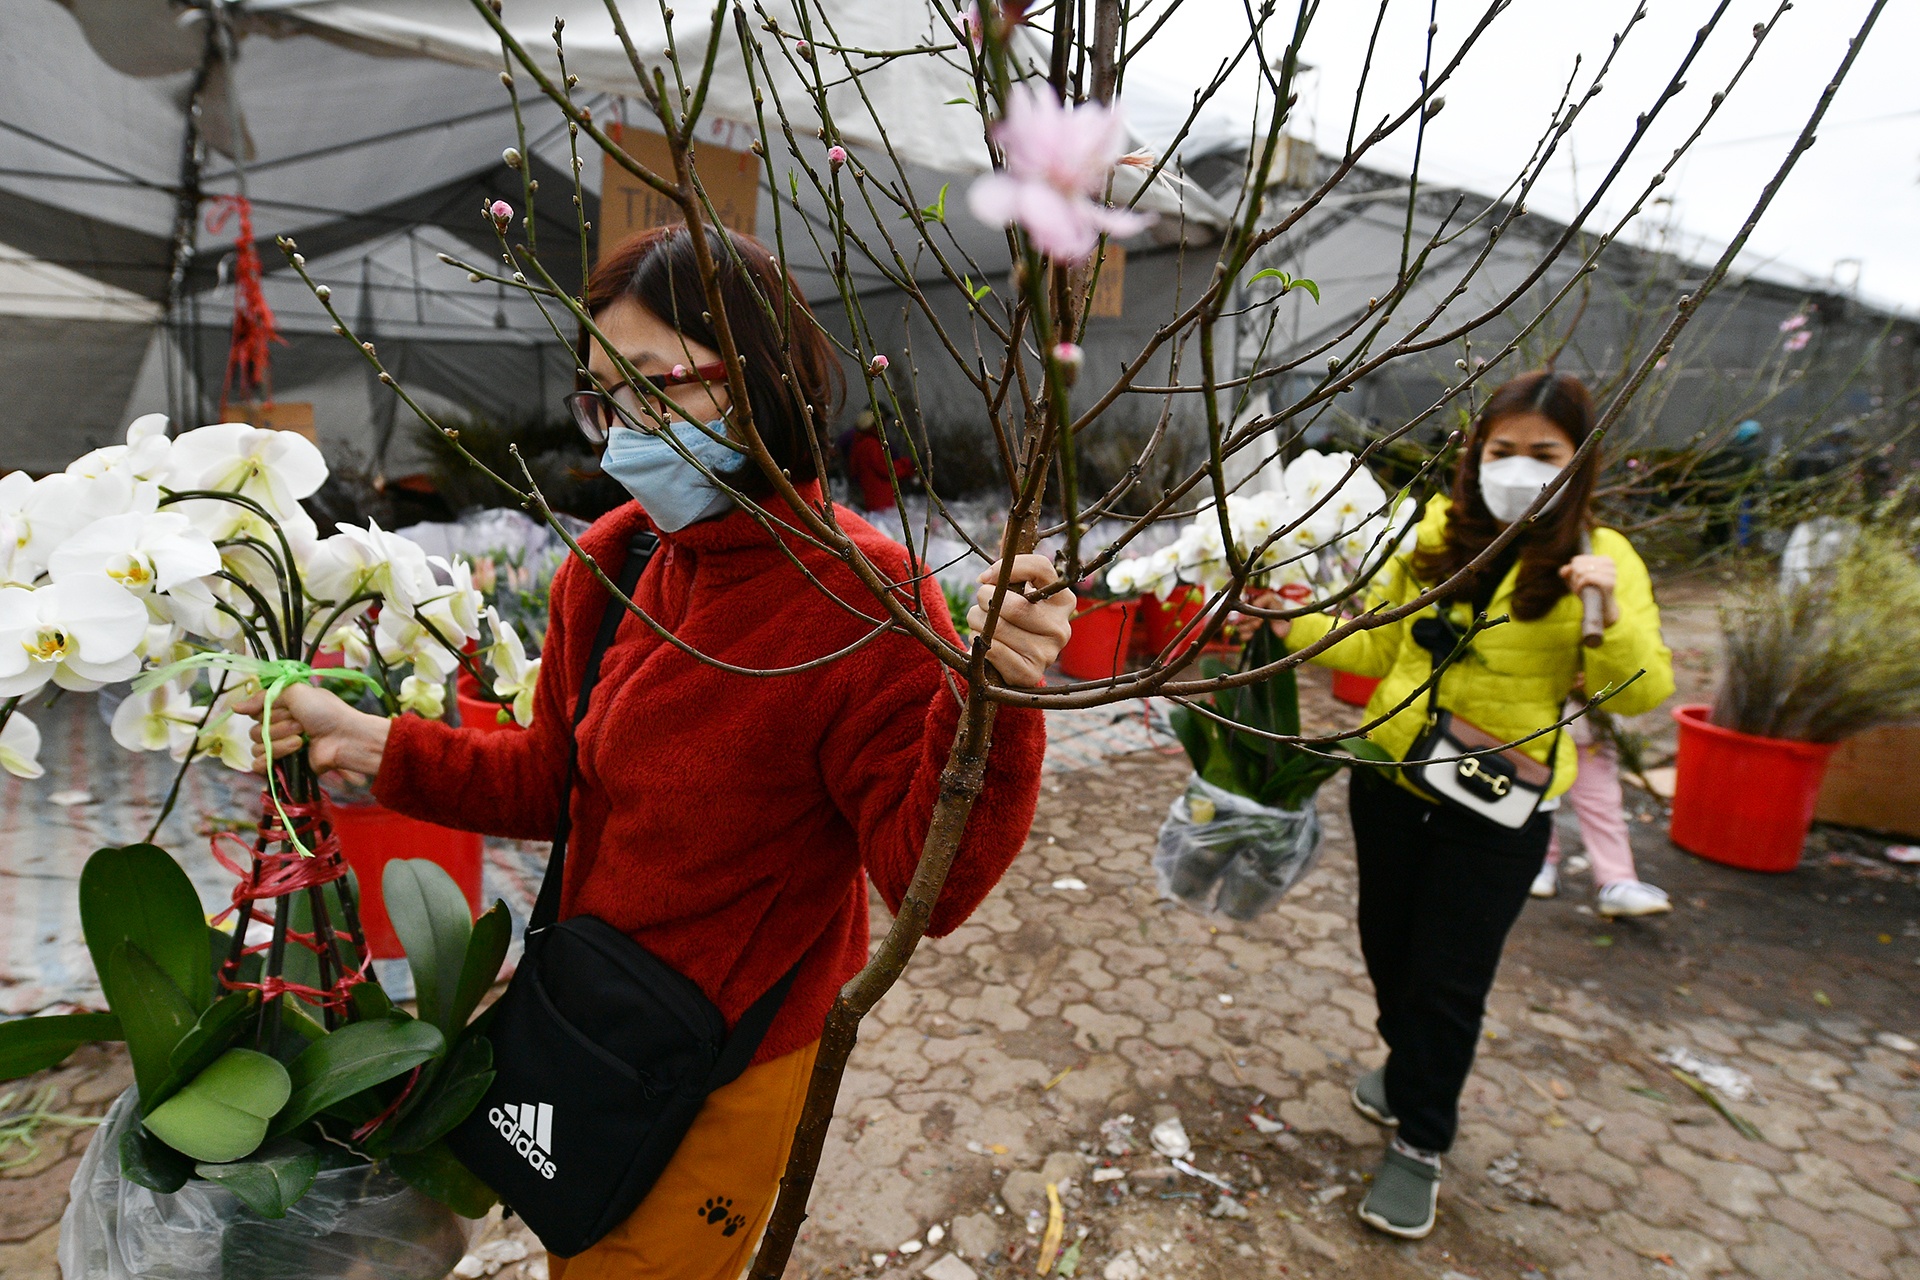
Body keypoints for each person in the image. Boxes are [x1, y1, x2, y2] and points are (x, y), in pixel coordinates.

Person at [245, 226, 1074, 1280]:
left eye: (654, 388)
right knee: (577, 1240)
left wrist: (993, 699)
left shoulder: (861, 599)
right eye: (602, 396)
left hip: (724, 1051)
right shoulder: (617, 561)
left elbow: (929, 881)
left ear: (763, 386)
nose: (621, 433)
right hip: (586, 1002)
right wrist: (376, 742)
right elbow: (553, 776)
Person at [1269, 371, 1673, 1240]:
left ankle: (1420, 1140)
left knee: (1448, 985)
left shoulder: (1604, 559)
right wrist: (1286, 623)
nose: (1519, 469)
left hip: (1495, 811)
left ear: (1578, 463)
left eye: (1544, 454)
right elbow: (1375, 643)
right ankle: (1409, 1064)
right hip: (1391, 783)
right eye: (1503, 451)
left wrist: (1602, 604)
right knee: (1388, 952)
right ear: (1475, 457)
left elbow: (1642, 689)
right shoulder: (1431, 535)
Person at [1529, 702, 1673, 917]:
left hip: (1593, 725)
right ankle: (1539, 860)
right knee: (1539, 793)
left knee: (1601, 800)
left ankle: (1617, 879)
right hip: (1540, 720)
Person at [845, 408, 917, 511]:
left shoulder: (859, 442)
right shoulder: (871, 444)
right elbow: (885, 469)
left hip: (871, 495)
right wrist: (906, 465)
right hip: (878, 498)